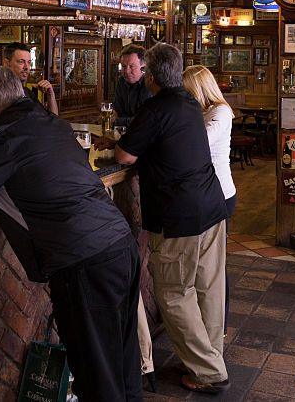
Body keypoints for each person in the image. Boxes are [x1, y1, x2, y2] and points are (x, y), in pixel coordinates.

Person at [0, 67, 142, 402]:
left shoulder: (2, 135)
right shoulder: (51, 123)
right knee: (122, 362)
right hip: (119, 243)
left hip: (84, 260)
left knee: (97, 378)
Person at [114, 43, 229, 394]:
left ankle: (210, 371)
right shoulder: (191, 104)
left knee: (174, 292)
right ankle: (210, 359)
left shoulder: (155, 108)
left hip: (180, 214)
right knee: (209, 288)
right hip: (212, 206)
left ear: (150, 76)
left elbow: (123, 155)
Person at [182, 65, 236, 325]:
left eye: (187, 90)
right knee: (205, 266)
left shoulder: (221, 111)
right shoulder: (197, 112)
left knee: (216, 266)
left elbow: (198, 142)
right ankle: (205, 321)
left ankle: (220, 323)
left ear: (199, 89)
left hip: (221, 194)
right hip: (202, 194)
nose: (184, 96)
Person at [0, 42, 57, 124]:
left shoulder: (28, 93)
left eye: (29, 62)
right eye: (21, 62)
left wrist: (50, 95)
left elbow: (54, 122)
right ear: (7, 63)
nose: (26, 67)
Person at [113, 43, 151, 127]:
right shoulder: (121, 82)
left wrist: (118, 121)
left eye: (132, 66)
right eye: (123, 66)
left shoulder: (149, 84)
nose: (126, 71)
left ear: (143, 65)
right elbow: (116, 111)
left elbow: (144, 121)